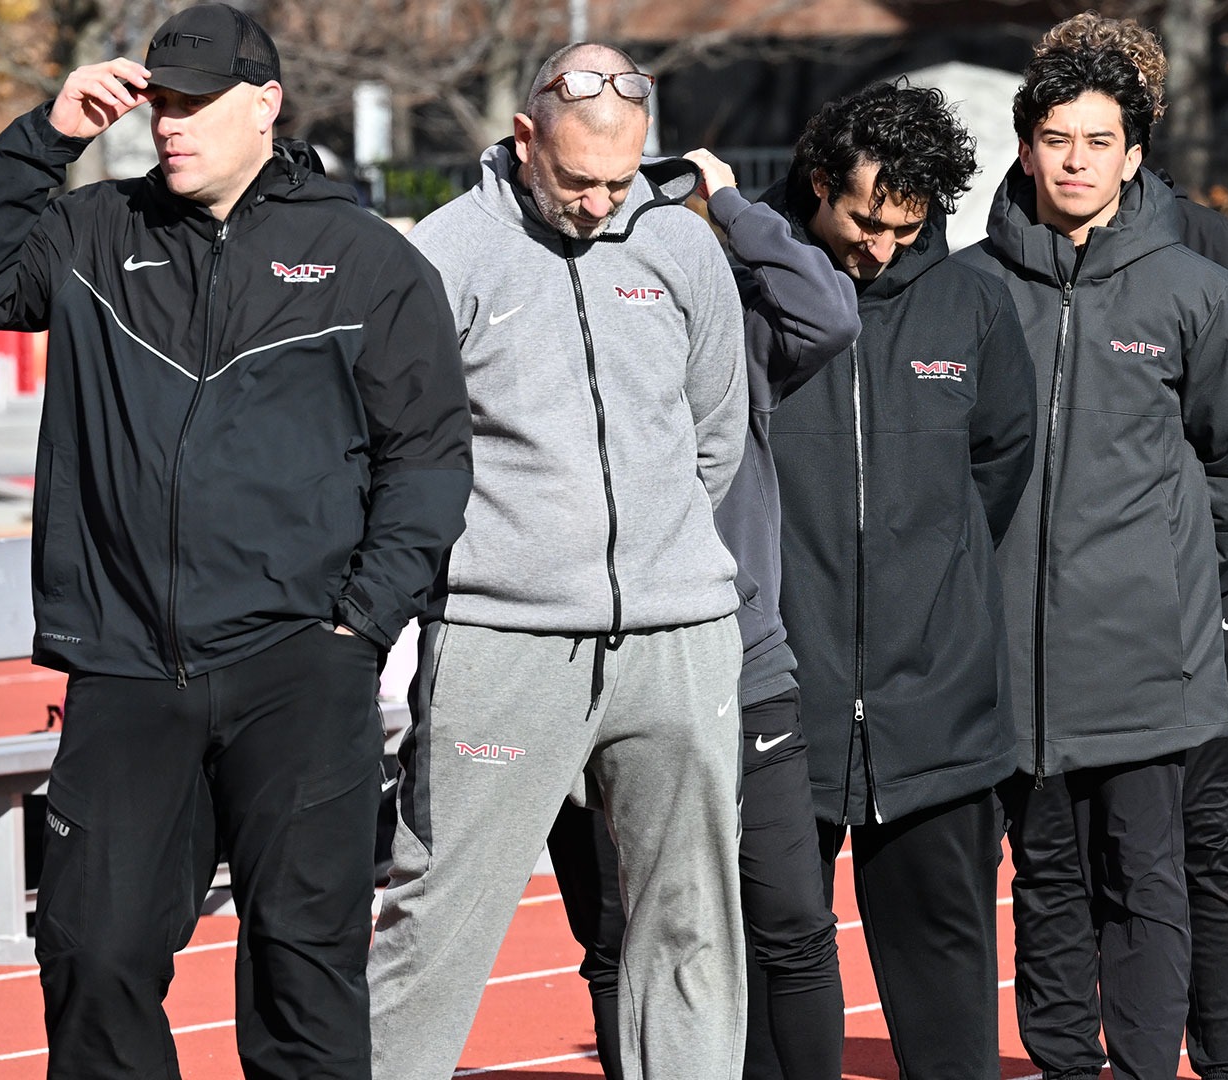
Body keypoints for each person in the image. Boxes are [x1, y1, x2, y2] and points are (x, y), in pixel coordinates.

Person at [0, 4, 473, 1077]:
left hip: (299, 670)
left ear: (264, 106)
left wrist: (359, 623)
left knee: (301, 969)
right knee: (92, 954)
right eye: (159, 101)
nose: (171, 125)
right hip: (126, 669)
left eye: (196, 103)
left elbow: (431, 455)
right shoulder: (90, 235)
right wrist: (51, 130)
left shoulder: (363, 258)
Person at [365, 43, 749, 1080]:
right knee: (435, 920)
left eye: (620, 181)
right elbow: (400, 448)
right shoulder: (445, 256)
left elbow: (715, 432)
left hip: (679, 635)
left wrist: (657, 555)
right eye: (578, 180)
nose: (598, 203)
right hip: (504, 640)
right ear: (525, 140)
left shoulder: (680, 246)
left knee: (694, 928)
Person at [958, 35, 1228, 1080]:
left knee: (1149, 880)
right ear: (1023, 149)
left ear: (1134, 154)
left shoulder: (1198, 293)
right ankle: (1064, 1062)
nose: (1075, 161)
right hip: (1008, 657)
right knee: (1044, 876)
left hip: (1147, 650)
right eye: (1055, 140)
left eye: (1099, 141)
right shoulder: (968, 288)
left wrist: (1176, 559)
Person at [543, 145, 858, 1080]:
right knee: (618, 940)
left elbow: (829, 312)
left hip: (737, 661)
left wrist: (731, 203)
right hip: (587, 666)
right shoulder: (561, 328)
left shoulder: (733, 329)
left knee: (790, 926)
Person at [769, 80, 1037, 1079]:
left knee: (948, 994)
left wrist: (931, 589)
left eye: (907, 227)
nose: (882, 247)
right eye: (865, 220)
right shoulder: (754, 296)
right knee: (773, 979)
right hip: (783, 710)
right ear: (819, 184)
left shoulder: (972, 302)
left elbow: (998, 467)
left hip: (942, 716)